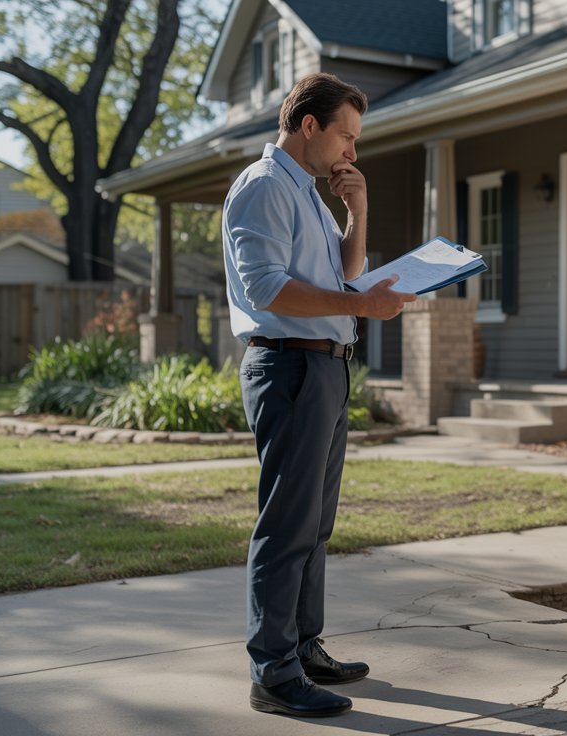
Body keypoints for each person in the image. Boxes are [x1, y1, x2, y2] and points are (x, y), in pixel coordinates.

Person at [221, 72, 416, 718]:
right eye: (346, 137)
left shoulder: (307, 193)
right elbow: (268, 291)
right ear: (310, 126)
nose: (350, 153)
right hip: (288, 369)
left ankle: (303, 649)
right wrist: (361, 303)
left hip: (327, 368)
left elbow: (346, 270)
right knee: (286, 526)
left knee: (315, 525)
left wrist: (358, 214)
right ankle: (272, 673)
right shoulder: (262, 188)